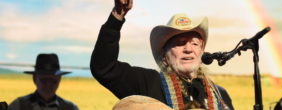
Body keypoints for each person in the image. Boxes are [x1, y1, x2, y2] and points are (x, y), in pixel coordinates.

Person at [90, 0, 234, 109]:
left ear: (202, 51)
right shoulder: (148, 83)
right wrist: (117, 17)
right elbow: (104, 68)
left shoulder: (220, 94)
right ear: (164, 56)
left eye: (195, 43)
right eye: (180, 43)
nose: (188, 49)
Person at [8, 53, 79, 110]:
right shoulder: (17, 106)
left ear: (59, 79)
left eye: (53, 81)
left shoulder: (71, 108)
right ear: (34, 79)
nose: (48, 85)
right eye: (43, 80)